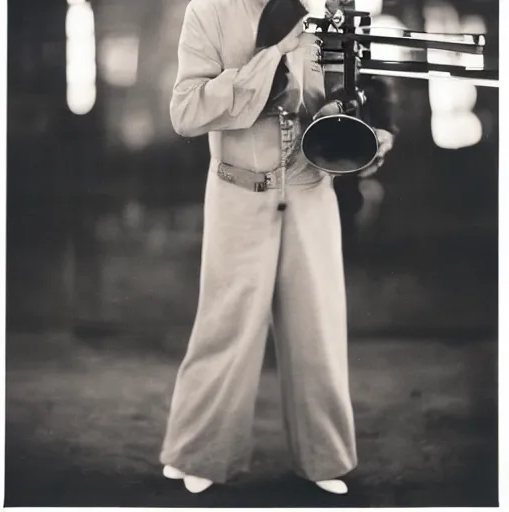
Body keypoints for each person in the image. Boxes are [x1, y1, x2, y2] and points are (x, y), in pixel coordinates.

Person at [159, 0, 395, 495]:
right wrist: (274, 56)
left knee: (319, 329)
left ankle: (323, 458)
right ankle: (199, 452)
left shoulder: (327, 8)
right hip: (238, 189)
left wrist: (358, 121)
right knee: (226, 327)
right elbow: (185, 110)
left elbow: (351, 89)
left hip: (311, 192)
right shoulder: (208, 11)